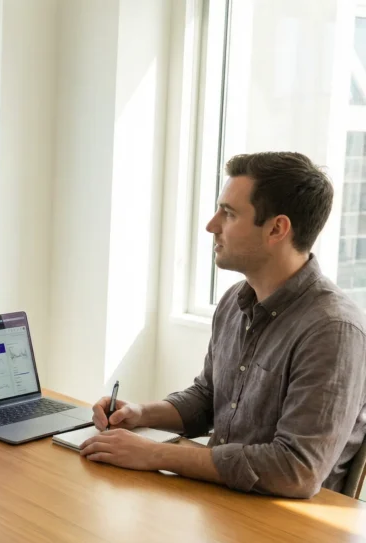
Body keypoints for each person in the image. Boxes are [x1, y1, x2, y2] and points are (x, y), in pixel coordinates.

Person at [83, 151, 366, 499]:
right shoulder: (235, 301)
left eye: (228, 213)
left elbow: (296, 470)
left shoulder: (333, 329)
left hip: (286, 523)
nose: (211, 225)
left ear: (277, 229)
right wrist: (141, 414)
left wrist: (155, 454)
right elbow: (208, 398)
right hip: (222, 500)